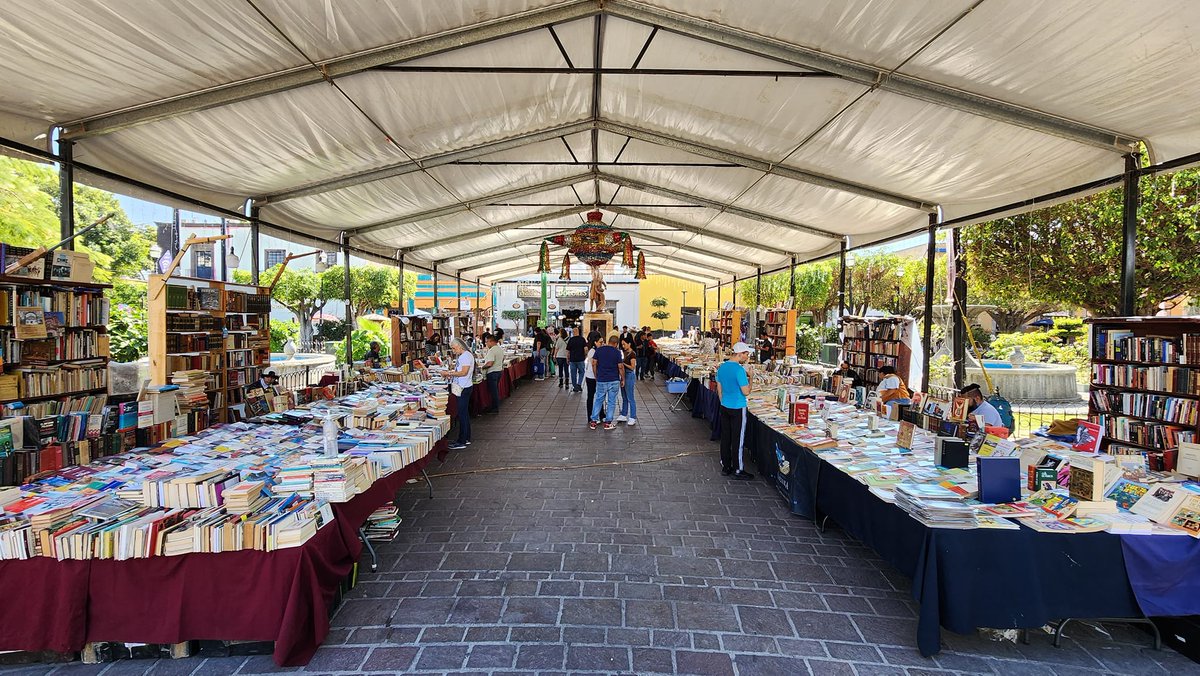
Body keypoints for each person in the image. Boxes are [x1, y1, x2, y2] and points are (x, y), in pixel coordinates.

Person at [716, 342, 754, 479]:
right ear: (739, 354)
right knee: (738, 438)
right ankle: (738, 468)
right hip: (738, 407)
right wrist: (751, 378)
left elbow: (719, 388)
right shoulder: (739, 370)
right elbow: (746, 392)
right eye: (746, 354)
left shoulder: (722, 367)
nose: (747, 357)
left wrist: (723, 401)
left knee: (726, 437)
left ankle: (726, 466)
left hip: (725, 405)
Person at [445, 338, 475, 450]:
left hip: (463, 387)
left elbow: (463, 372)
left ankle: (462, 441)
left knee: (462, 414)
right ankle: (466, 438)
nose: (453, 351)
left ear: (460, 346)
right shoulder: (465, 355)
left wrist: (449, 373)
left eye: (454, 348)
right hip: (464, 386)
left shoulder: (465, 356)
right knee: (464, 414)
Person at [590, 334, 623, 430]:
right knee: (611, 402)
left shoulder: (599, 350)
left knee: (598, 400)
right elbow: (620, 367)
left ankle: (593, 421)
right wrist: (623, 378)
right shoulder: (617, 352)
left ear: (608, 341)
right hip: (613, 379)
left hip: (601, 379)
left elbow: (594, 363)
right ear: (616, 344)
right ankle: (608, 423)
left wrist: (596, 375)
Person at [480, 333, 506, 414]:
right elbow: (502, 359)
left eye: (487, 342)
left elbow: (490, 363)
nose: (486, 344)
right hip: (499, 371)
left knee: (493, 391)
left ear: (491, 341)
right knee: (495, 390)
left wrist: (482, 367)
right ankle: (494, 406)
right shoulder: (499, 349)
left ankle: (495, 408)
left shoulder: (491, 351)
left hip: (492, 372)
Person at [617, 335, 638, 425]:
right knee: (624, 396)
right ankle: (623, 414)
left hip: (629, 375)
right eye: (622, 344)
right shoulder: (625, 353)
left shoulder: (632, 354)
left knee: (630, 397)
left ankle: (633, 416)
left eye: (624, 344)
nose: (623, 346)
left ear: (629, 344)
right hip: (624, 375)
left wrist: (623, 364)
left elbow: (632, 367)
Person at [584, 335, 603, 420]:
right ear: (595, 342)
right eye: (600, 342)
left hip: (597, 376)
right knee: (591, 396)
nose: (602, 344)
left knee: (600, 396)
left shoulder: (599, 351)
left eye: (602, 342)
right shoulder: (592, 351)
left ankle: (602, 414)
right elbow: (593, 364)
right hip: (591, 377)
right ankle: (590, 415)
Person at [566, 326, 586, 393]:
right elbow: (585, 349)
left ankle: (575, 387)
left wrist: (567, 358)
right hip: (580, 359)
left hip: (572, 359)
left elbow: (568, 351)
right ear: (578, 332)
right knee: (582, 372)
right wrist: (585, 355)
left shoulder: (571, 340)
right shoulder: (582, 339)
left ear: (573, 332)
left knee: (573, 373)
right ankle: (579, 384)